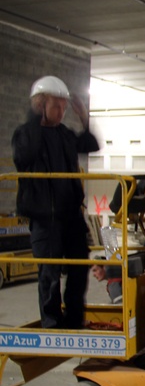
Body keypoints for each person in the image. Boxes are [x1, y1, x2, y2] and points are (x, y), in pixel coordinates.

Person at [12, 75, 100, 329]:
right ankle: (51, 322)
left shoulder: (64, 135)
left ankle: (73, 319)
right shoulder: (25, 135)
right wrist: (35, 120)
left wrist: (84, 119)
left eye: (64, 106)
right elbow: (24, 156)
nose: (61, 111)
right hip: (45, 218)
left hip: (70, 216)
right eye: (56, 106)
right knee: (49, 273)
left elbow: (90, 144)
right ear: (40, 105)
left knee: (78, 267)